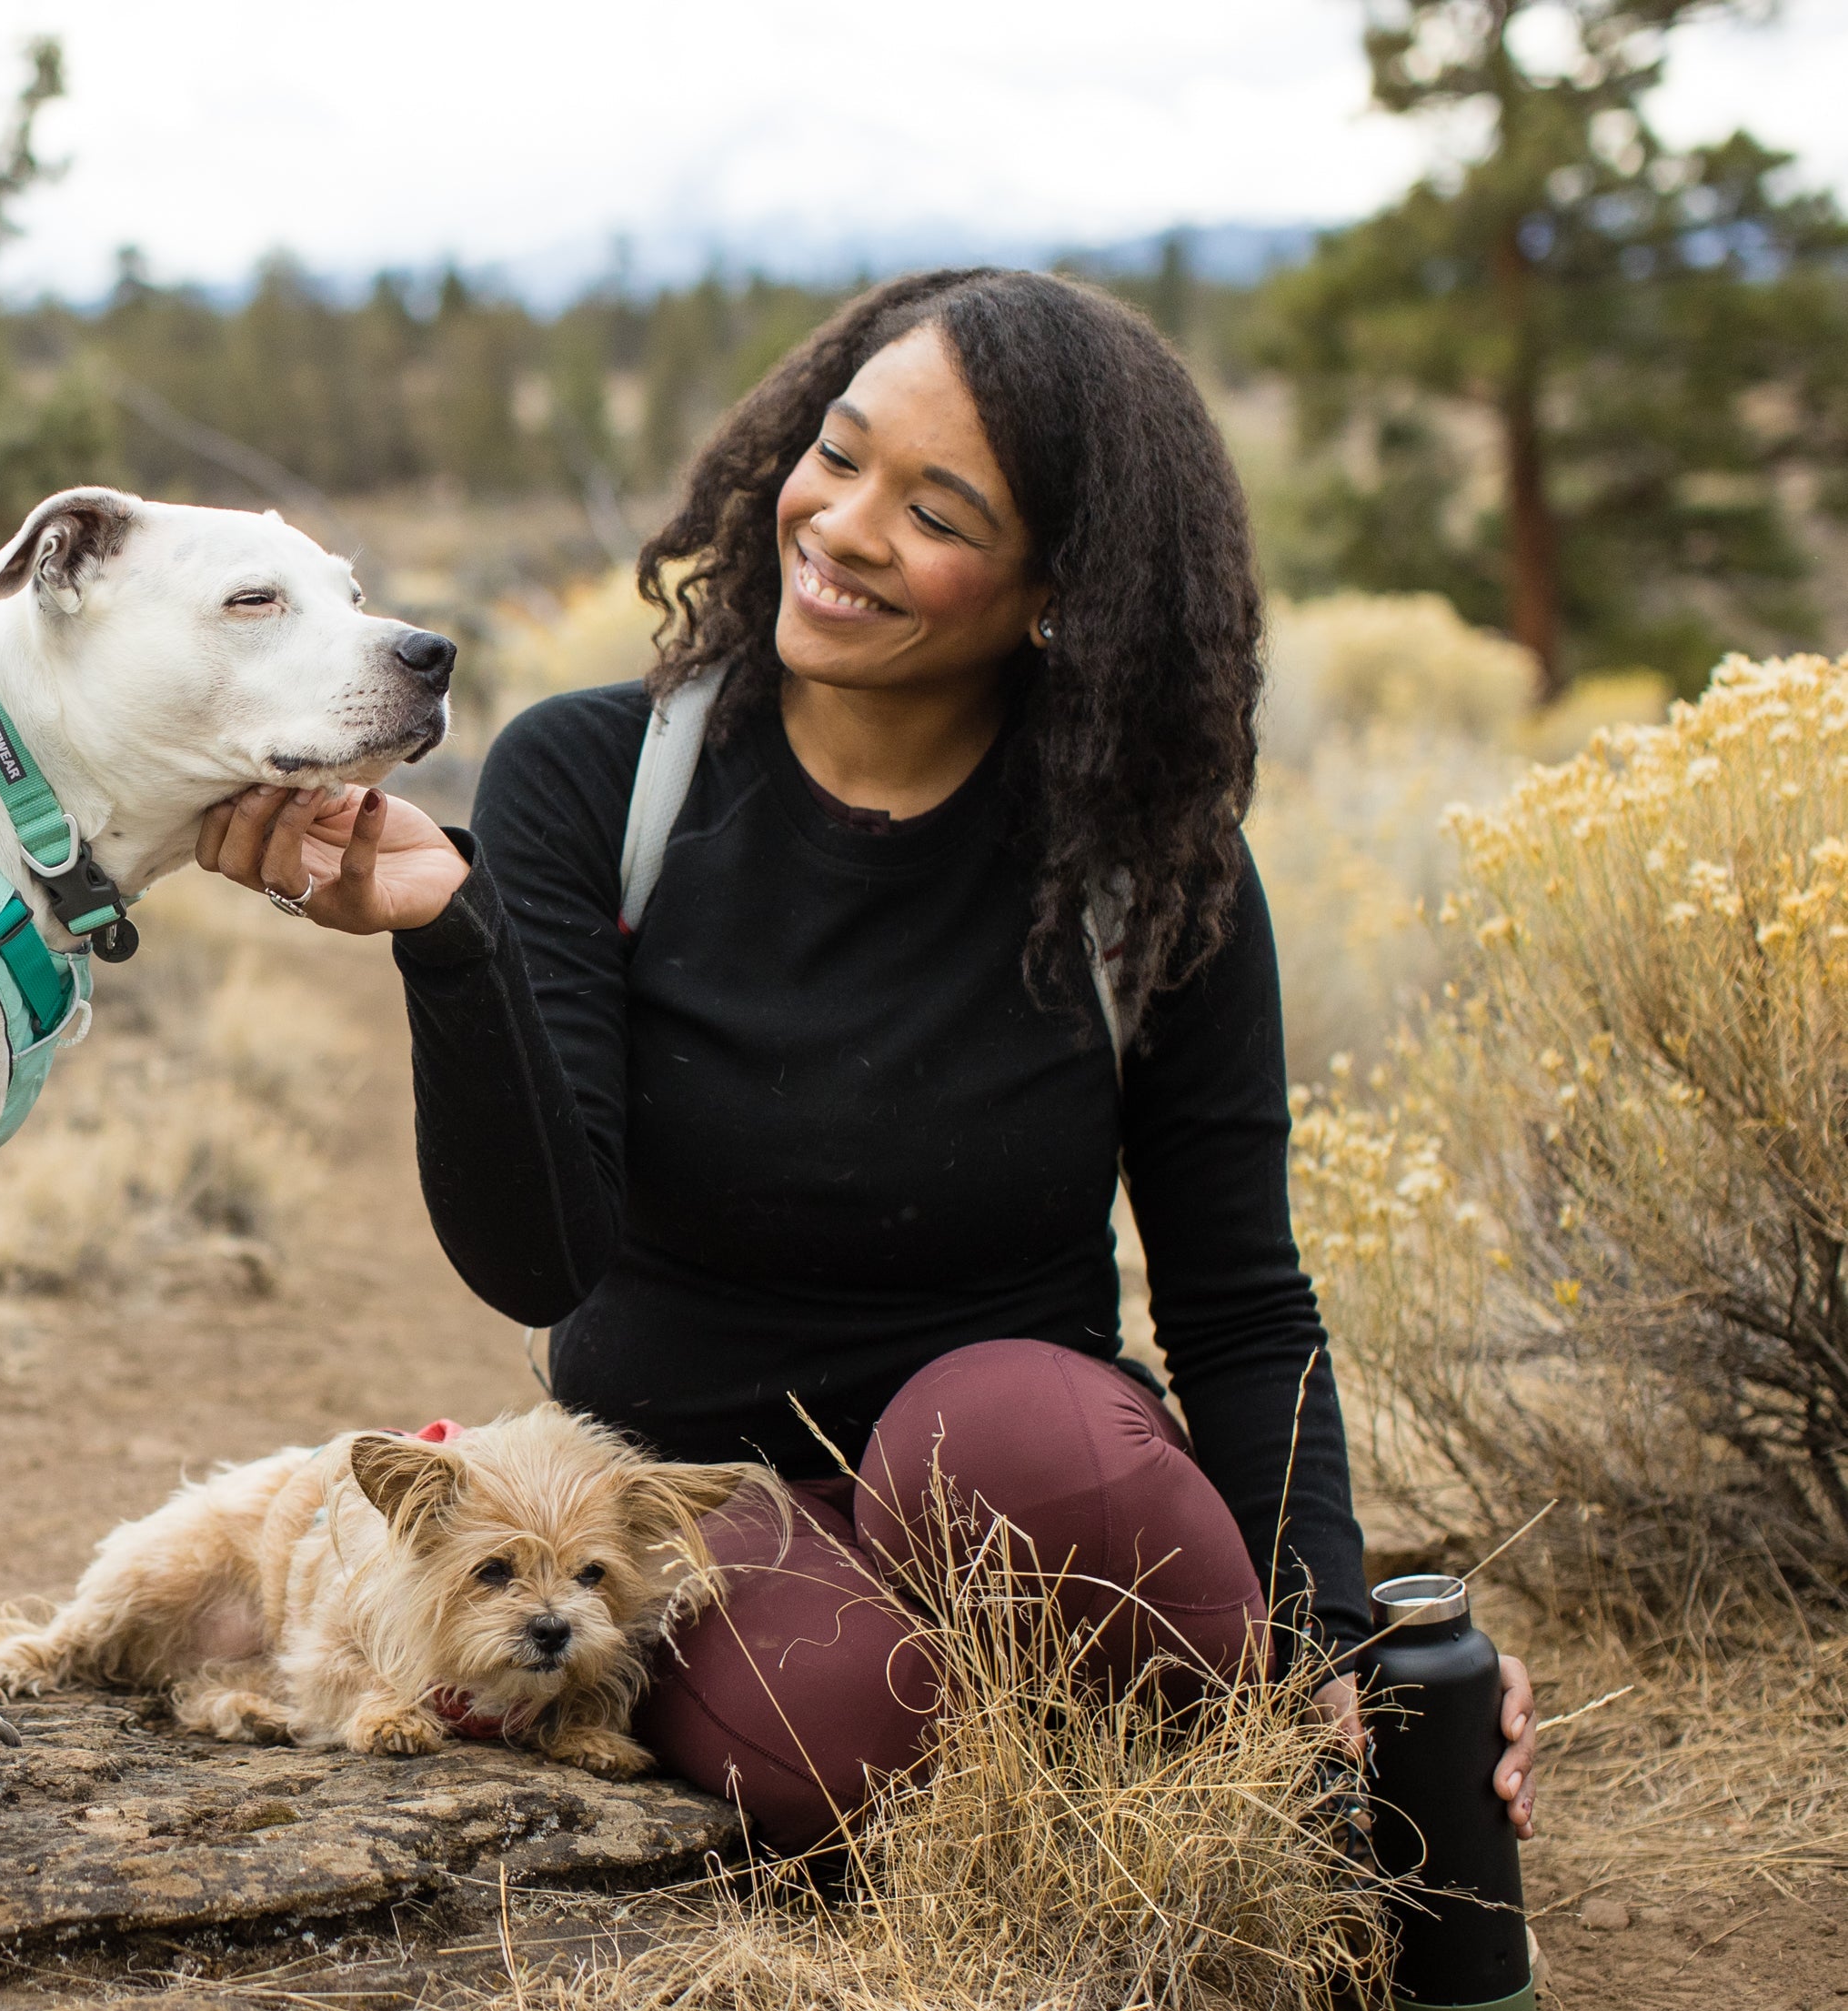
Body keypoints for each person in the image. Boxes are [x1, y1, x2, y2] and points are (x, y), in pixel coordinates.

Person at [194, 267, 1540, 1853]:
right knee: (846, 1733)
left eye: (939, 513)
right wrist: (450, 937)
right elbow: (535, 1259)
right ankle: (1085, 1782)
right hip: (701, 1512)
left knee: (1039, 1450)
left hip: (1016, 1483)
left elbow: (1241, 1300)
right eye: (835, 456)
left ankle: (1267, 1795)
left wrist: (1340, 1636)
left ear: (1058, 585)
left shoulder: (1142, 862)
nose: (839, 527)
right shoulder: (594, 778)